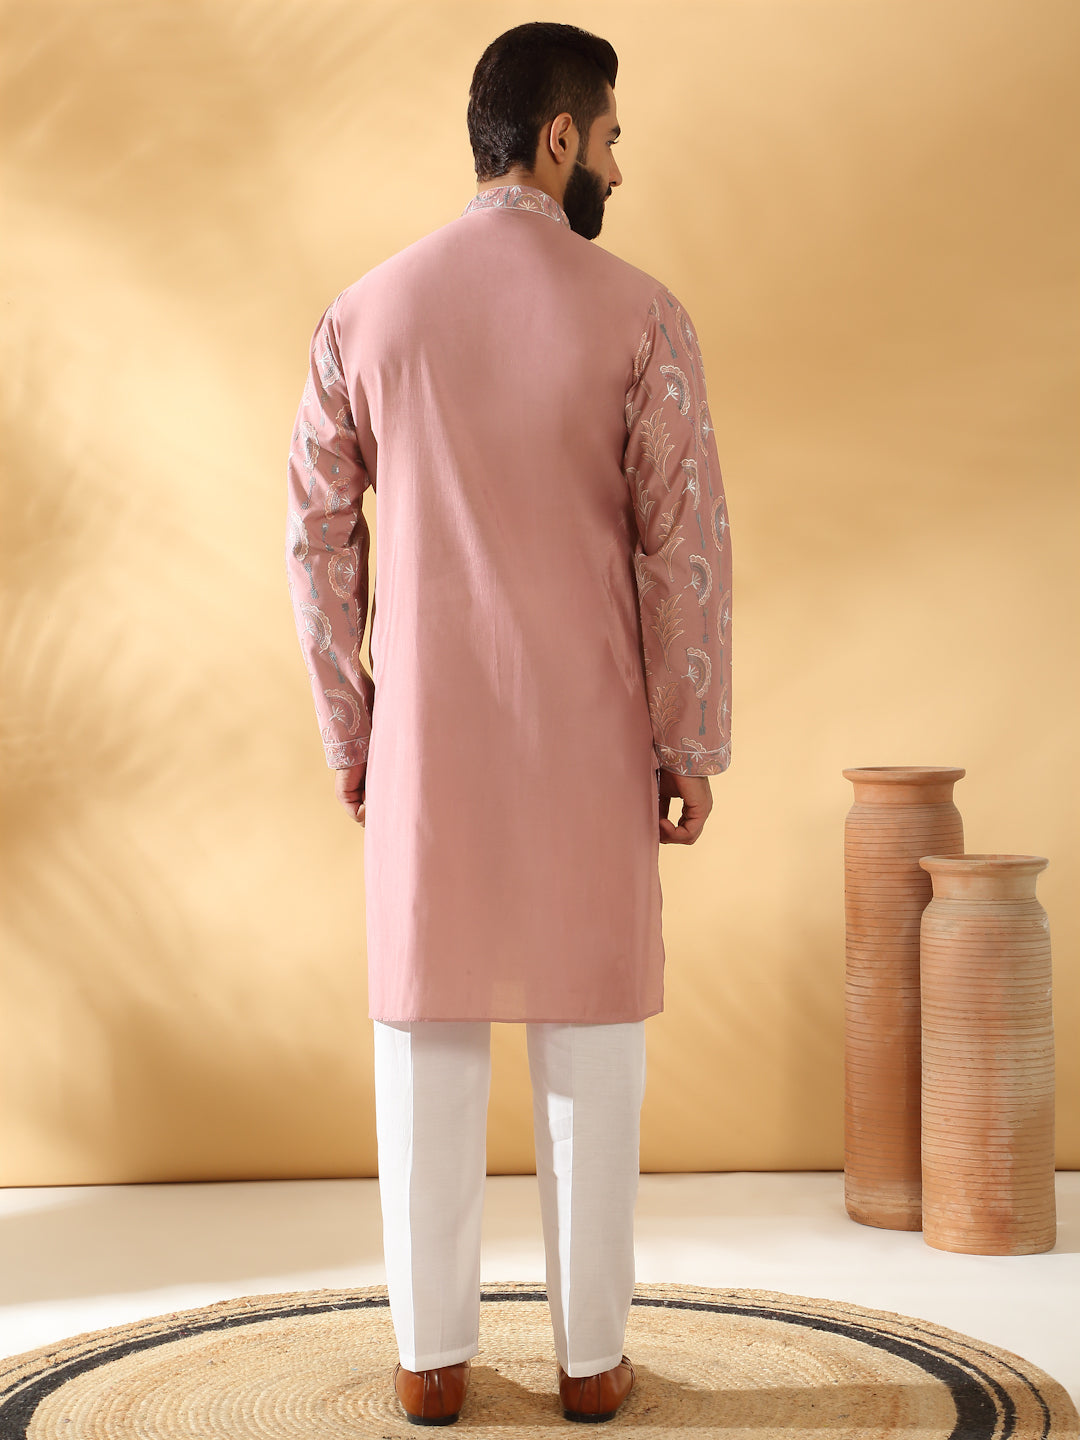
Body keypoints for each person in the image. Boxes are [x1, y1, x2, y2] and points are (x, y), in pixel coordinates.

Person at [285, 20, 732, 1426]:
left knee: (427, 1034)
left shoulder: (365, 315)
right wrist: (688, 742)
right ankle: (591, 1363)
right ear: (558, 137)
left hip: (430, 748)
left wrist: (352, 728)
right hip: (591, 741)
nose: (618, 167)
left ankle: (429, 1362)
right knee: (591, 1035)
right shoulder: (643, 317)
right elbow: (684, 550)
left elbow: (315, 541)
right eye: (611, 139)